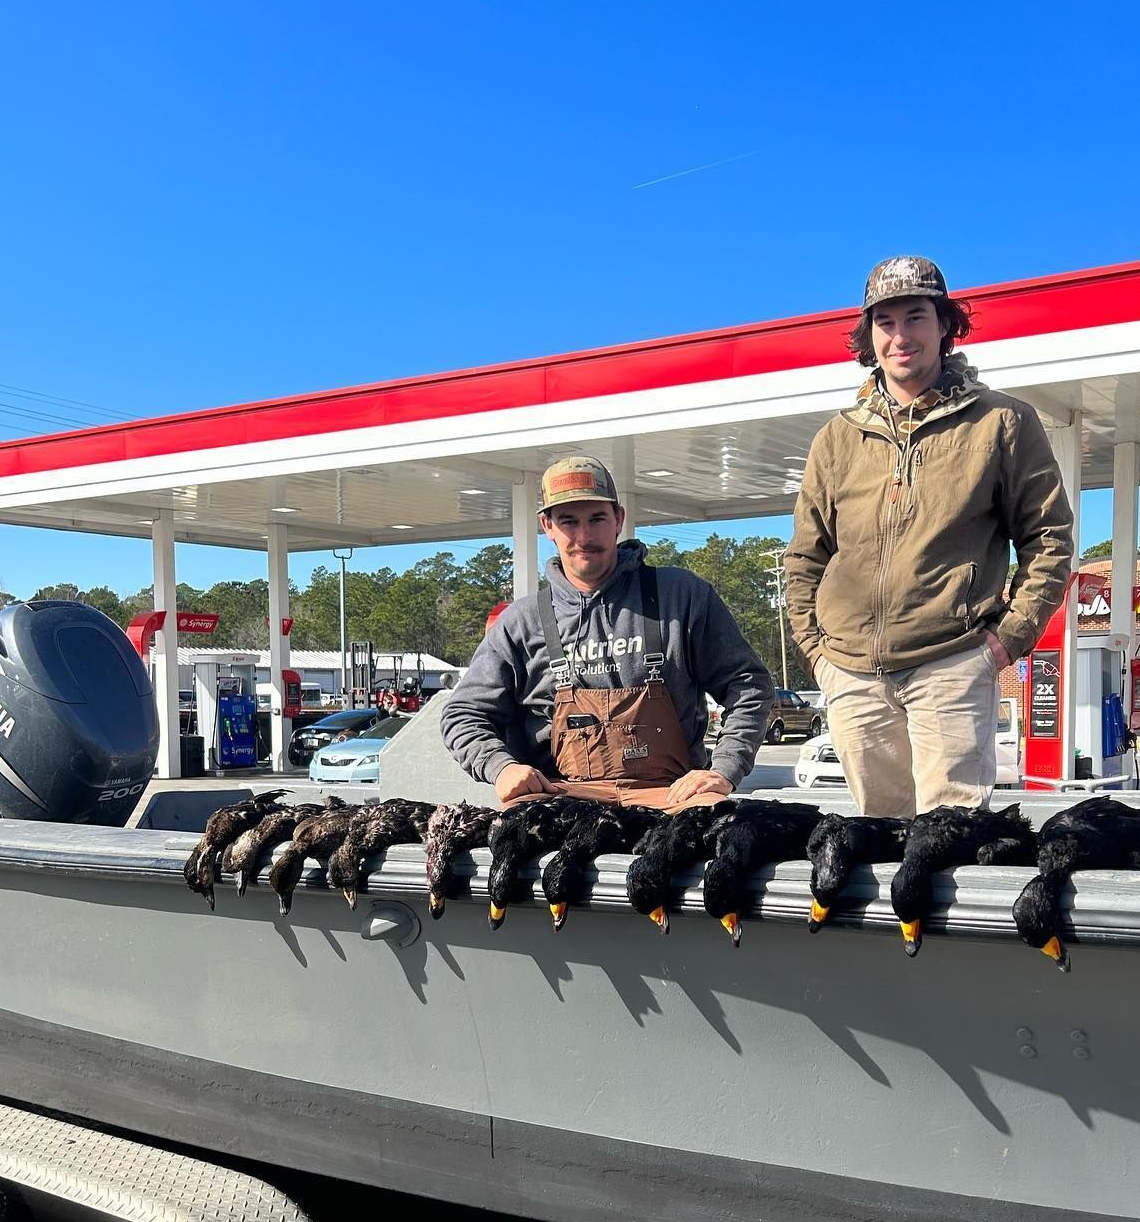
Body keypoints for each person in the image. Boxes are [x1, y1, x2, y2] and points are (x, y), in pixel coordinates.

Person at [786, 255, 1073, 818]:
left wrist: (1006, 641)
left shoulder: (1002, 423)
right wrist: (817, 653)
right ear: (868, 336)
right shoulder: (837, 438)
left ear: (945, 323)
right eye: (886, 322)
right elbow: (805, 555)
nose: (901, 335)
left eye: (916, 316)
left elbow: (1049, 537)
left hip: (953, 663)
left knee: (950, 842)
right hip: (850, 674)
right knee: (878, 842)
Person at [442, 455, 773, 807]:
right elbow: (463, 714)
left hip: (673, 799)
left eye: (597, 518)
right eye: (569, 521)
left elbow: (749, 686)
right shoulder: (520, 623)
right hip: (559, 800)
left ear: (618, 519)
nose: (584, 536)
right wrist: (501, 767)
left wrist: (723, 770)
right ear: (547, 526)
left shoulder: (681, 597)